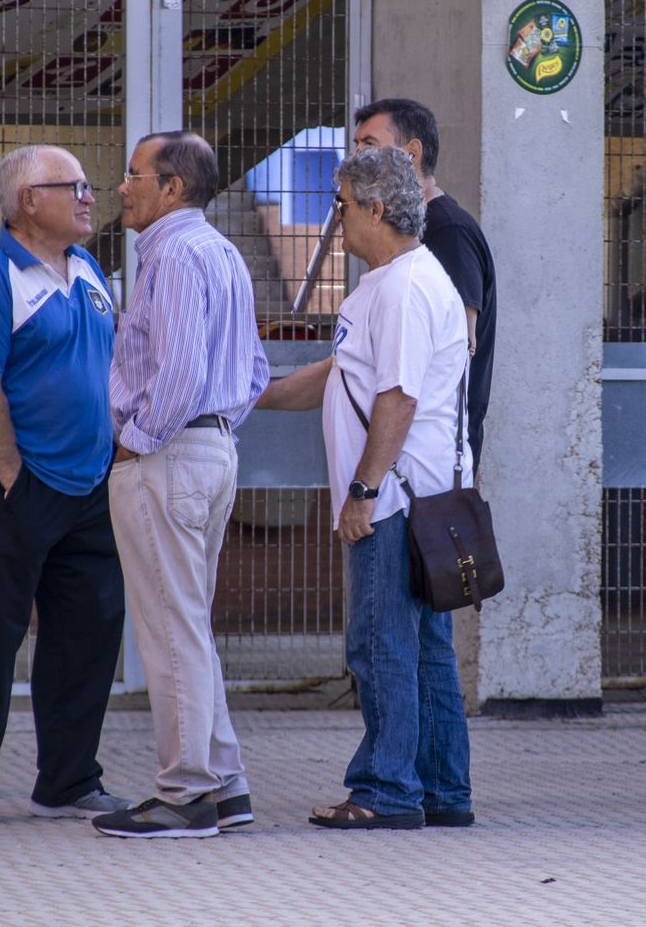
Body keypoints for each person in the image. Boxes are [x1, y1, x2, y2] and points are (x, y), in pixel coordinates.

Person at [257, 145, 474, 830]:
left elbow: (399, 397)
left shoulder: (407, 286)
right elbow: (338, 375)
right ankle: (442, 790)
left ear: (376, 209)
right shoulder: (384, 285)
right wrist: (252, 395)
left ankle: (385, 790)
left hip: (397, 501)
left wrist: (362, 492)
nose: (337, 218)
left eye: (342, 204)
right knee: (425, 648)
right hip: (417, 497)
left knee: (380, 644)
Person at [0, 145, 131, 826]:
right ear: (29, 201)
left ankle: (68, 780)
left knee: (89, 632)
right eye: (75, 187)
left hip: (92, 484)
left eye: (90, 185)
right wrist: (12, 476)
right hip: (17, 479)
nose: (90, 196)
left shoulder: (89, 269)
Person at [91, 133, 268, 840]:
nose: (122, 187)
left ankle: (186, 791)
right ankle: (224, 784)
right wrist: (212, 429)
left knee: (169, 629)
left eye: (134, 175)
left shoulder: (172, 254)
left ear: (171, 188)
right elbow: (251, 371)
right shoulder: (220, 250)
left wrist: (138, 441)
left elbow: (182, 370)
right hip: (210, 448)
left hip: (167, 454)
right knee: (187, 623)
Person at [353, 99, 497, 469]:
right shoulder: (417, 229)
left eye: (368, 146)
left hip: (426, 468)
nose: (356, 156)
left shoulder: (447, 230)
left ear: (411, 153)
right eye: (356, 146)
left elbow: (459, 347)